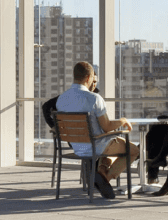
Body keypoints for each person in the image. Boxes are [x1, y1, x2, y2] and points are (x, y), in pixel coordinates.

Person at [54, 61, 140, 199]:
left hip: (77, 147)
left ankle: (101, 172)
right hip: (96, 145)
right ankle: (104, 177)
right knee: (134, 151)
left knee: (113, 142)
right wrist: (122, 121)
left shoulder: (61, 99)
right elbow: (106, 126)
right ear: (88, 77)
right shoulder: (94, 98)